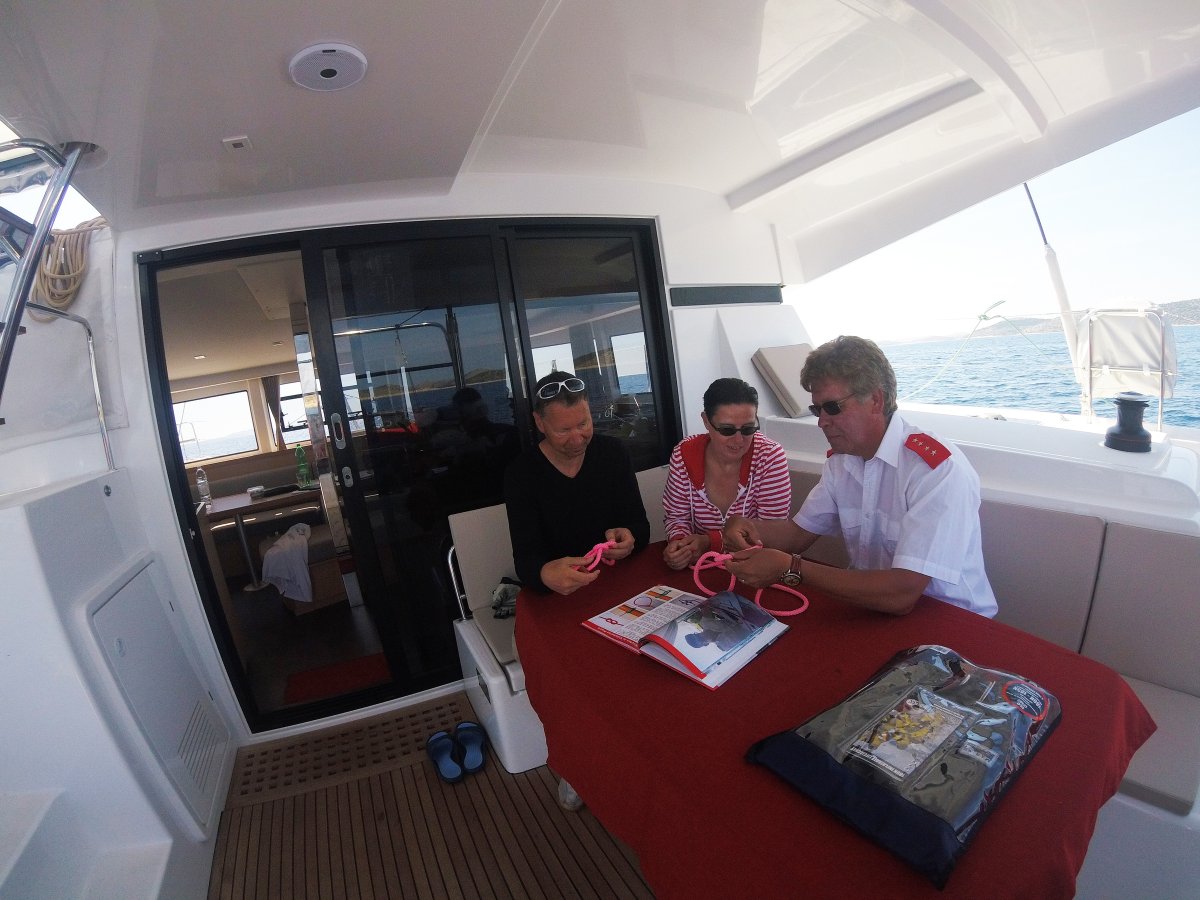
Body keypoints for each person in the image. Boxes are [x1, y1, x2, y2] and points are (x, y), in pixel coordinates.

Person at [724, 336, 997, 617]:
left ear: (876, 400)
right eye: (817, 409)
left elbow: (902, 593)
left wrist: (791, 568)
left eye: (832, 407)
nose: (822, 421)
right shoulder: (842, 462)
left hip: (952, 620)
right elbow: (796, 535)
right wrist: (747, 528)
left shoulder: (935, 470)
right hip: (874, 608)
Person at [503, 370, 651, 595]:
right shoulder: (521, 474)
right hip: (562, 594)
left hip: (617, 583)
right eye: (563, 430)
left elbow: (640, 527)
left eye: (583, 424)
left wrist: (629, 539)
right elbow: (526, 561)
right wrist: (545, 573)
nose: (576, 438)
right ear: (540, 422)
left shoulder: (614, 453)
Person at [661, 377, 791, 570]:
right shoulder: (683, 453)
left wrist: (710, 541)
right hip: (701, 569)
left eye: (748, 429)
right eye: (727, 429)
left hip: (755, 570)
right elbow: (677, 517)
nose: (738, 440)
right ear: (706, 421)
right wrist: (681, 545)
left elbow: (773, 533)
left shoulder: (770, 456)